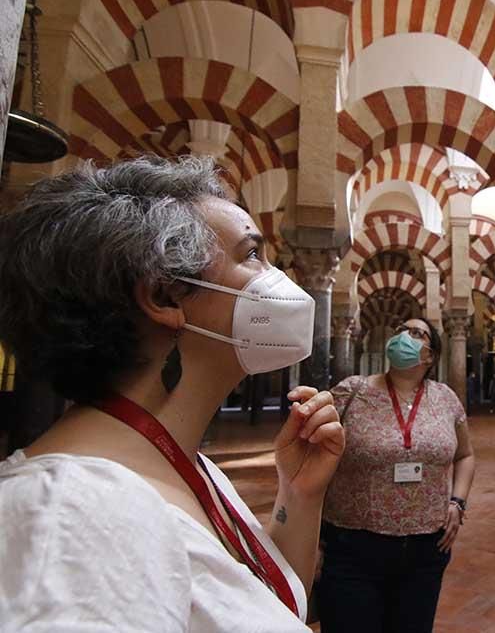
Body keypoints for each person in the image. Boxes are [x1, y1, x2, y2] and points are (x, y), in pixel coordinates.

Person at [0, 157, 346, 631]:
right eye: (250, 254)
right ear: (163, 298)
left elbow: (252, 603)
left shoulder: (185, 467)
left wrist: (300, 495)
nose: (278, 275)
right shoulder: (73, 519)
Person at [317, 317, 475, 633]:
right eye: (401, 330)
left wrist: (458, 502)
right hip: (354, 547)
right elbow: (315, 459)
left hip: (426, 548)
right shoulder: (352, 392)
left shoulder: (445, 399)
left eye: (416, 334)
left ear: (430, 355)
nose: (403, 336)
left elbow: (466, 455)